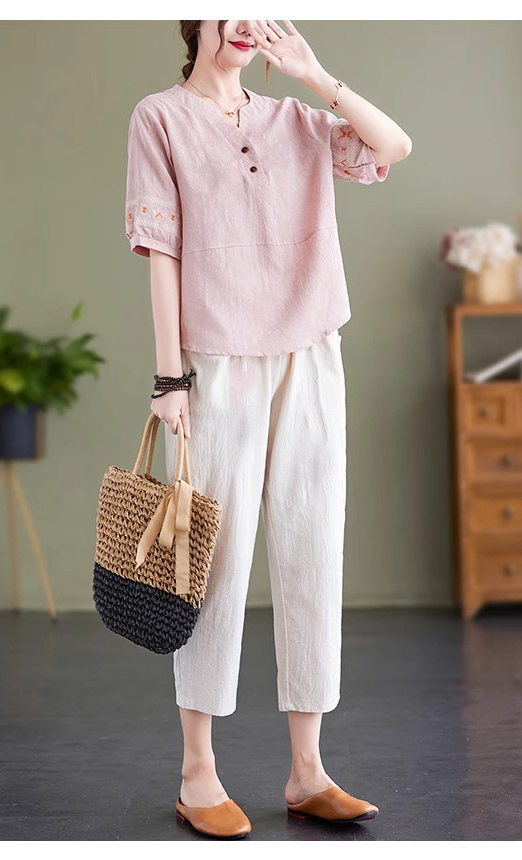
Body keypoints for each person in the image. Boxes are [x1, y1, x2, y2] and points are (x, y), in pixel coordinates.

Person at [124, 19, 412, 839]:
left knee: (313, 546)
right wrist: (170, 377)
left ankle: (308, 771)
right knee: (210, 563)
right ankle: (198, 773)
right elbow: (161, 250)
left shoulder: (298, 119)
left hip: (311, 353)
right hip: (218, 360)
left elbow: (393, 145)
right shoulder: (159, 117)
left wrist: (315, 73)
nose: (247, 22)